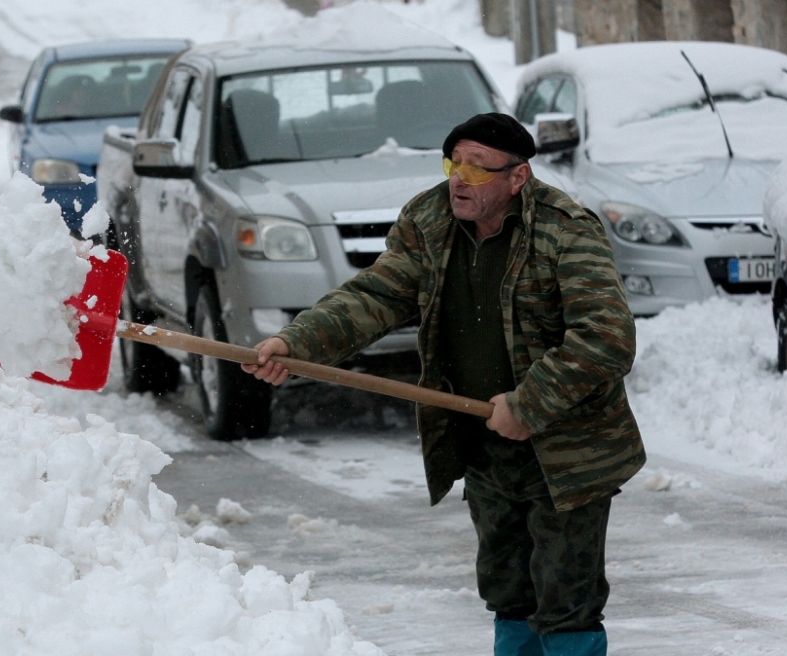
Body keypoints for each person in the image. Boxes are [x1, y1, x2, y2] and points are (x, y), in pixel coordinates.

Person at [243, 113, 645, 656]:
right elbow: (378, 296)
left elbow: (607, 336)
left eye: (478, 169)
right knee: (507, 590)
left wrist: (530, 403)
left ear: (518, 177)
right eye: (454, 162)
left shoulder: (565, 229)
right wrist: (298, 343)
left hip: (567, 450)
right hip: (484, 440)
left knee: (566, 595)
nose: (459, 178)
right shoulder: (430, 219)